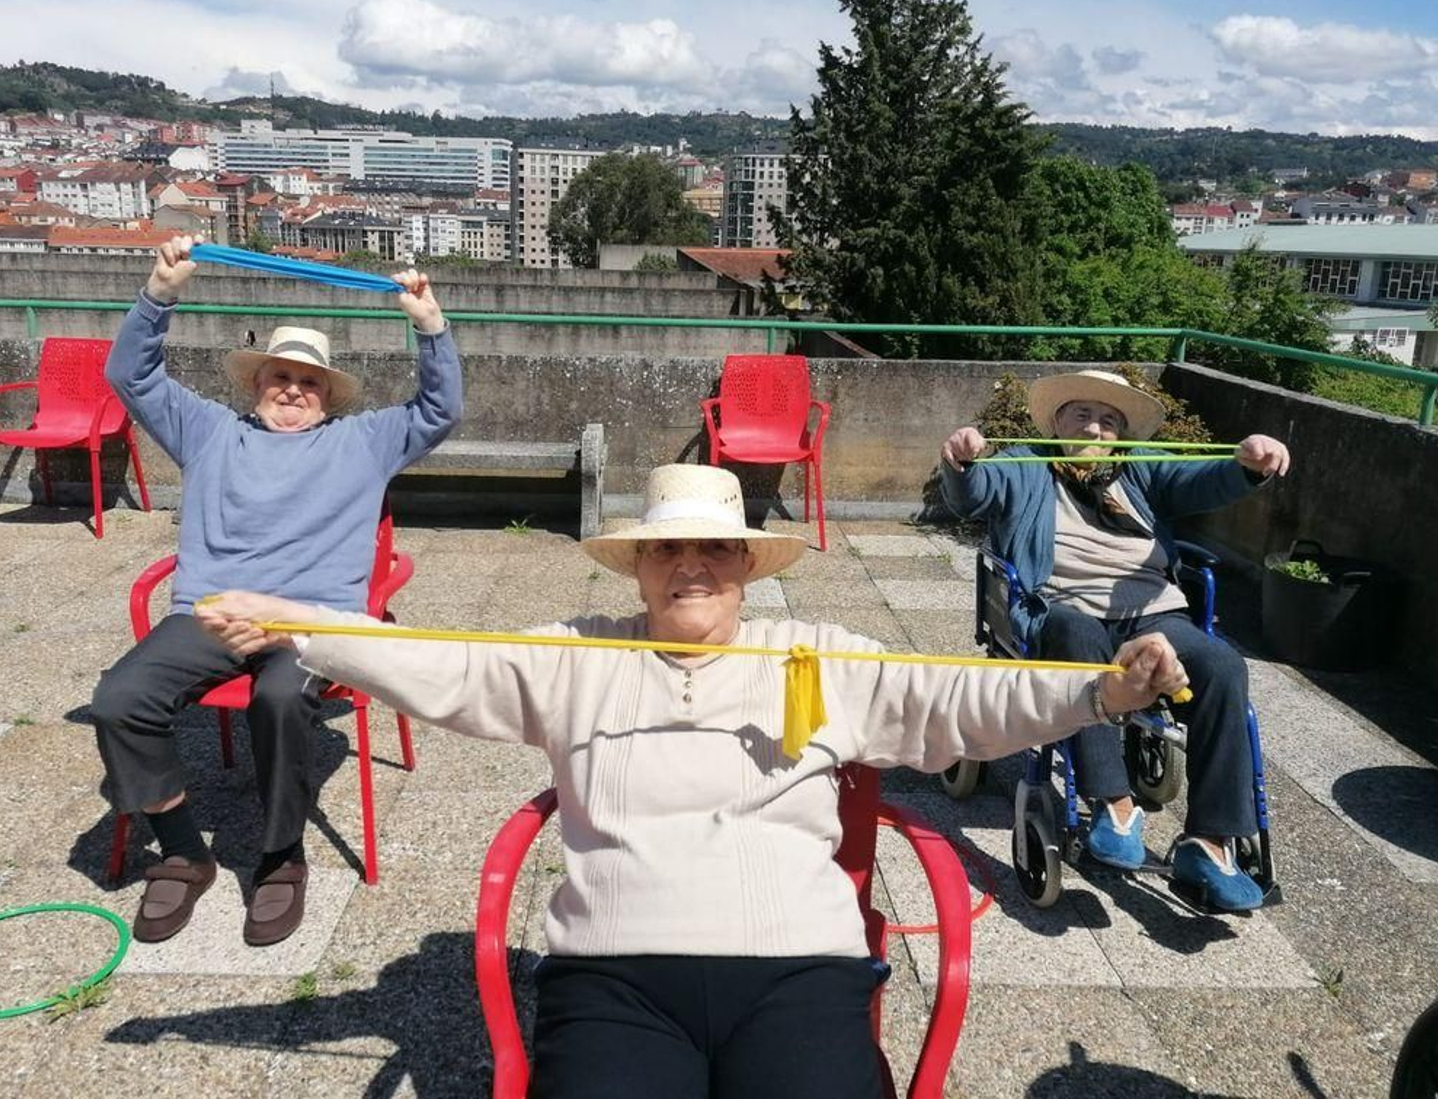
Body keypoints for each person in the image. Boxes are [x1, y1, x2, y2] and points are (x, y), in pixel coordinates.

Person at [197, 463, 1187, 1096]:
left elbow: (958, 705)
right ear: (637, 567)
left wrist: (1102, 691)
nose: (693, 566)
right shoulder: (575, 653)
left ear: (747, 565)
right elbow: (442, 668)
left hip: (802, 971)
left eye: (715, 547)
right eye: (669, 547)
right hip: (615, 977)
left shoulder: (813, 654)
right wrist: (299, 623)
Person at [90, 235, 462, 947]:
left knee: (281, 696)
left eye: (309, 381)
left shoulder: (364, 441)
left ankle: (279, 855)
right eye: (279, 378)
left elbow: (438, 410)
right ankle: (182, 850)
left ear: (328, 396)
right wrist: (161, 290)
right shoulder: (206, 430)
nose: (293, 389)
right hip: (215, 611)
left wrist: (430, 327)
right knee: (120, 700)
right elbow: (131, 377)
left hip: (312, 622)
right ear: (257, 384)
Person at [939, 369, 1290, 911]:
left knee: (1223, 665)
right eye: (1082, 414)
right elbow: (974, 492)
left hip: (1153, 613)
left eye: (1110, 421)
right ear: (1056, 421)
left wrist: (1247, 465)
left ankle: (1211, 843)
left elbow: (1202, 481)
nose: (1096, 429)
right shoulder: (1026, 463)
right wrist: (962, 462)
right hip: (1066, 608)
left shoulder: (1138, 472)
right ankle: (1115, 804)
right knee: (1076, 633)